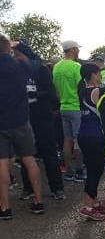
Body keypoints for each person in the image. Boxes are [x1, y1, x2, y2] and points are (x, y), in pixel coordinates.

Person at [0, 35, 45, 218]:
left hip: (1, 123)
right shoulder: (20, 66)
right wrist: (22, 45)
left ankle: (4, 207)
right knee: (29, 159)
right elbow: (37, 61)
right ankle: (38, 201)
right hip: (21, 121)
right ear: (7, 47)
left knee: (2, 163)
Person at [15, 43, 64, 201]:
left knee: (49, 153)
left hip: (43, 117)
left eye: (17, 54)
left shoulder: (41, 69)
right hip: (24, 119)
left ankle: (57, 188)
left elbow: (51, 93)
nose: (15, 58)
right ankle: (28, 188)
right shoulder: (15, 70)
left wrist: (35, 93)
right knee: (26, 155)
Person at [77, 62, 105, 221]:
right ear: (94, 74)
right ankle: (87, 206)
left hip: (84, 134)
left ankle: (93, 203)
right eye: (98, 72)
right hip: (95, 136)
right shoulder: (97, 91)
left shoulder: (81, 90)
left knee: (92, 169)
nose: (100, 75)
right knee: (96, 171)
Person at [52, 39, 85, 181]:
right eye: (77, 48)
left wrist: (61, 102)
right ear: (72, 49)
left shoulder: (57, 67)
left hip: (63, 106)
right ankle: (79, 170)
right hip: (76, 107)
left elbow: (56, 89)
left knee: (67, 140)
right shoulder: (76, 66)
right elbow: (81, 88)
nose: (78, 51)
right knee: (78, 140)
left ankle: (69, 171)